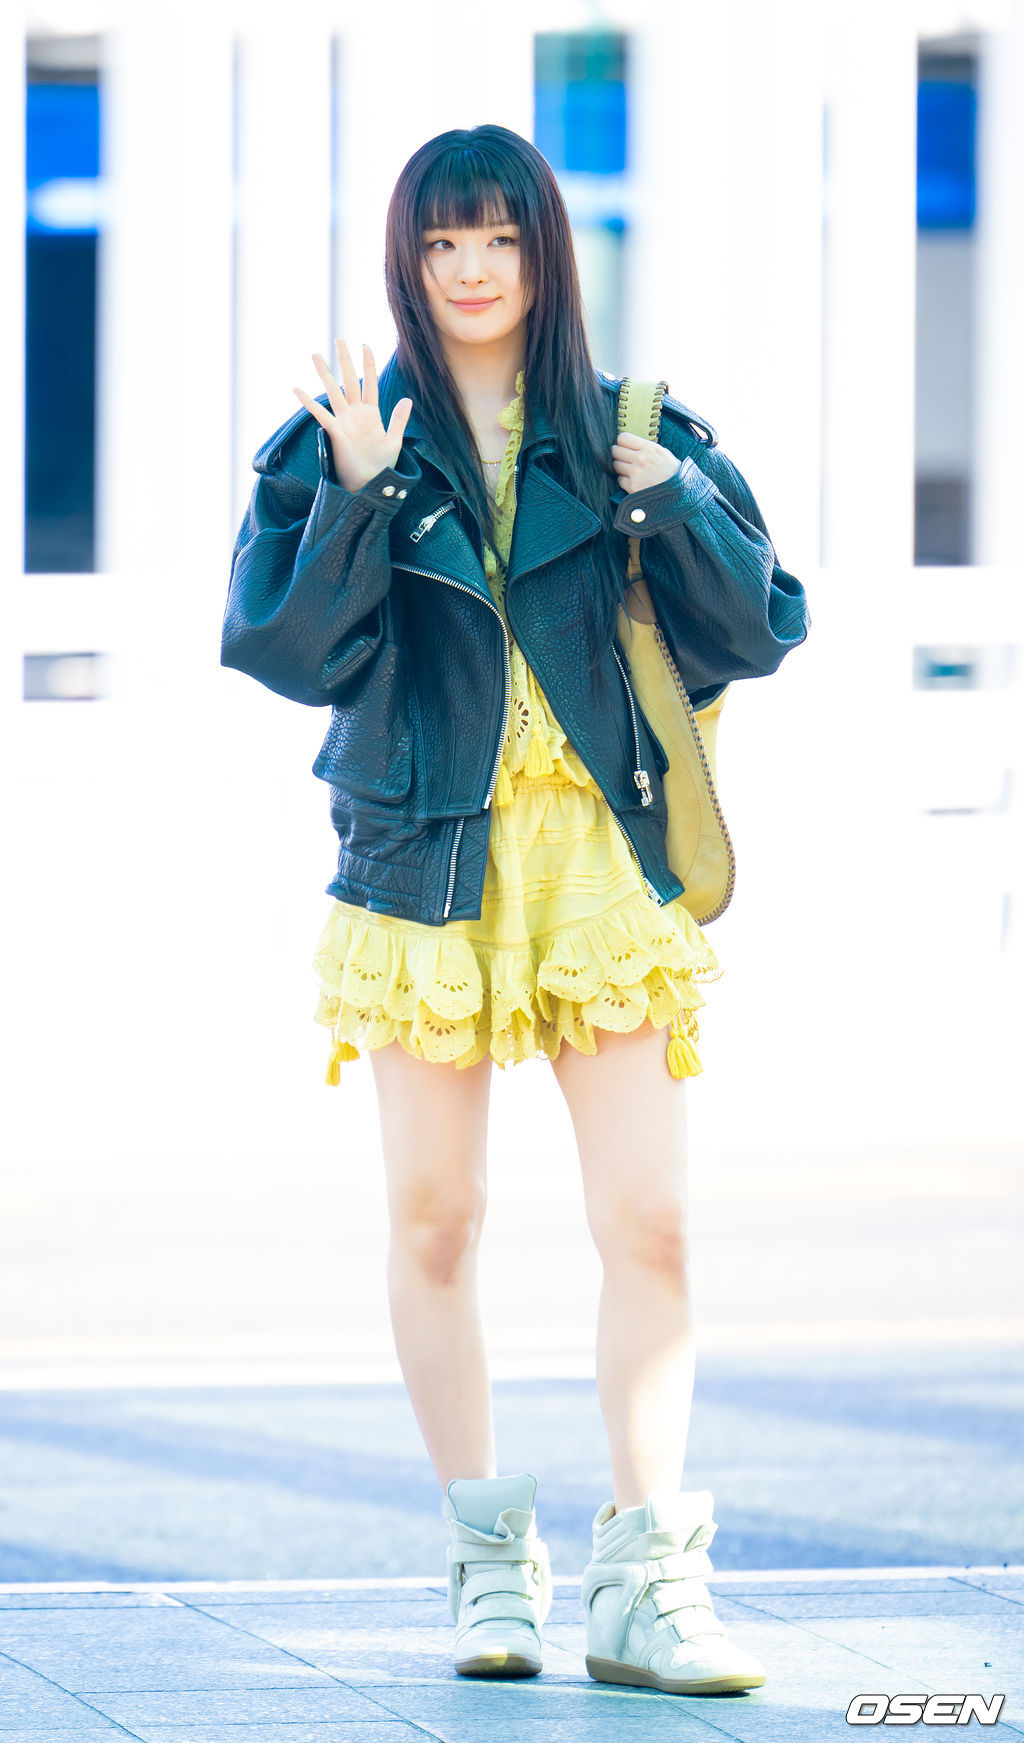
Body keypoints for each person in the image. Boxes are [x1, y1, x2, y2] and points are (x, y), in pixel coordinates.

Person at [222, 123, 809, 1695]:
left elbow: (762, 627)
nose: (472, 271)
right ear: (407, 263)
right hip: (428, 860)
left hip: (599, 860)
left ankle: (650, 1588)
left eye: (499, 239)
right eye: (441, 244)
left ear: (544, 253)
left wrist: (670, 503)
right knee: (437, 1218)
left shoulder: (635, 429)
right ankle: (490, 1567)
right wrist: (357, 493)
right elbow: (285, 651)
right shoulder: (346, 439)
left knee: (651, 1222)